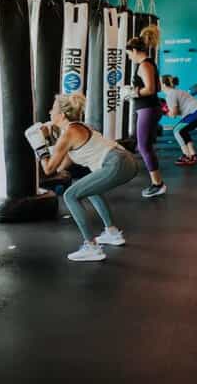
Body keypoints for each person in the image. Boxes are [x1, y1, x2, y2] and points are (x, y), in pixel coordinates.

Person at [39, 93, 138, 262]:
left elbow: (48, 169)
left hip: (115, 163)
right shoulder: (77, 128)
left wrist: (39, 146)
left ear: (61, 115)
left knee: (70, 195)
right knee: (89, 189)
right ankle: (111, 232)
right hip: (126, 160)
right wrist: (47, 139)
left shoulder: (69, 133)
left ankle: (91, 247)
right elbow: (60, 166)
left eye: (53, 109)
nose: (49, 112)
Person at [126, 25, 167, 198]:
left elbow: (151, 89)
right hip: (146, 108)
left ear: (135, 50)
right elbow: (155, 86)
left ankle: (158, 184)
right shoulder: (146, 64)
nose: (129, 57)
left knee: (143, 146)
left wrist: (132, 92)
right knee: (144, 145)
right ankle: (157, 183)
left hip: (148, 108)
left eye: (129, 53)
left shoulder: (144, 65)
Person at [162, 76, 197, 166]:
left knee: (177, 130)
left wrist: (164, 112)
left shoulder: (170, 94)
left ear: (164, 84)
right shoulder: (177, 91)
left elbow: (174, 114)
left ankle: (187, 156)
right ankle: (192, 155)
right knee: (183, 130)